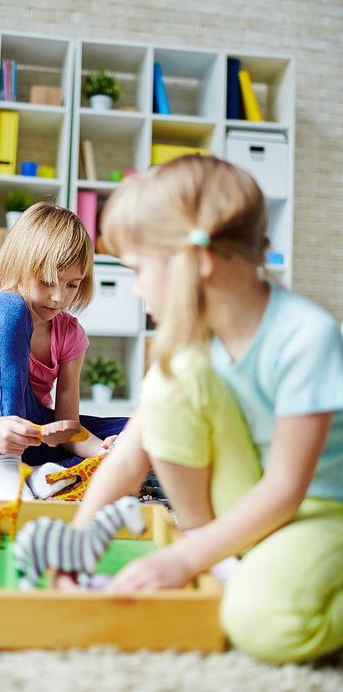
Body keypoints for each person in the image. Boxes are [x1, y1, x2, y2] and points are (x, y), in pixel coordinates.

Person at [64, 155, 343, 664]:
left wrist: (183, 560)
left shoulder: (307, 336)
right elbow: (129, 458)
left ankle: (226, 556)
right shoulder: (193, 342)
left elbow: (287, 489)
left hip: (322, 514)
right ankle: (221, 552)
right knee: (172, 377)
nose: (134, 289)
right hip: (254, 499)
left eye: (138, 269)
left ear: (200, 261)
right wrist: (76, 543)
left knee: (263, 624)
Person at [0, 202, 126, 501]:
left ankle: (41, 475)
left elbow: (67, 429)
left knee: (143, 431)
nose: (60, 297)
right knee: (9, 306)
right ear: (19, 265)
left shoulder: (70, 335)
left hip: (36, 439)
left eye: (73, 284)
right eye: (47, 282)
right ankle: (7, 464)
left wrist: (105, 450)